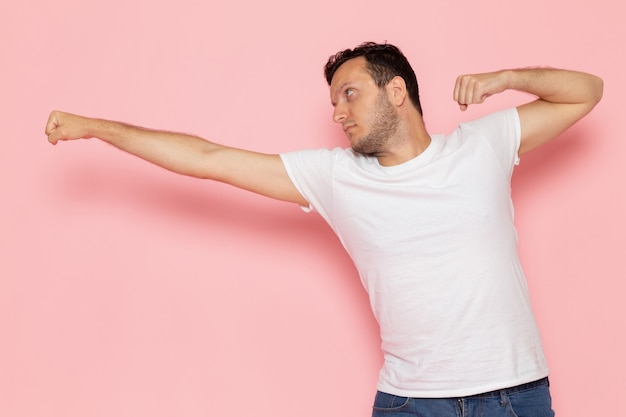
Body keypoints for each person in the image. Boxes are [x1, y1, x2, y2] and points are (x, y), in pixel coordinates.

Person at [45, 42, 603, 417]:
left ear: (398, 91)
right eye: (334, 100)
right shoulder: (335, 178)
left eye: (349, 93)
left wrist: (506, 77)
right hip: (411, 402)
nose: (338, 111)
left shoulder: (482, 146)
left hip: (516, 394)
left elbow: (587, 90)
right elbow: (208, 157)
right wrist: (94, 128)